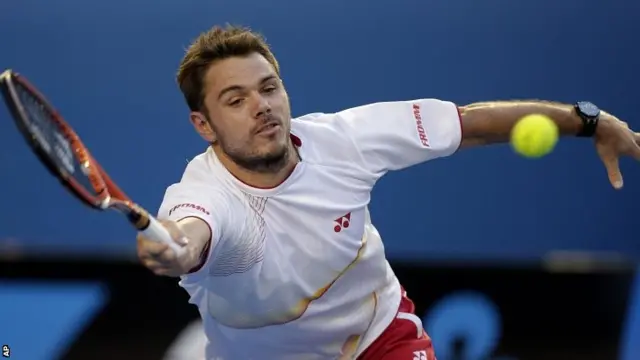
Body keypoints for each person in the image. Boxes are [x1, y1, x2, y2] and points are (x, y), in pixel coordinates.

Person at [137, 25, 640, 360]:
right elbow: (190, 233)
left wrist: (589, 122)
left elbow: (470, 125)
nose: (261, 106)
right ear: (203, 124)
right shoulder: (202, 194)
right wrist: (175, 248)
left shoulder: (345, 141)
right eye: (236, 99)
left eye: (269, 88)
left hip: (377, 337)